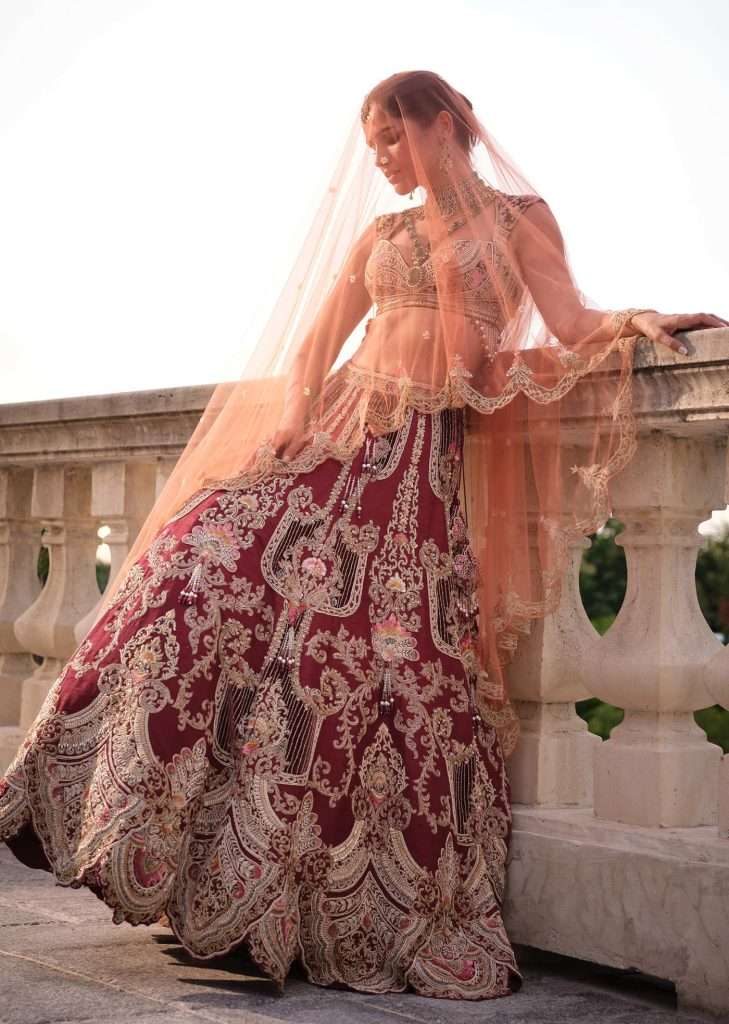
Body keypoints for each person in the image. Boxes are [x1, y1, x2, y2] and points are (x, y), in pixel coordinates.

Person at [0, 70, 726, 1002]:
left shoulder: (517, 220)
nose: (380, 159)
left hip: (418, 469)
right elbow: (314, 347)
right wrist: (294, 421)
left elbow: (572, 319)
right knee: (190, 573)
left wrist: (638, 321)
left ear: (445, 123)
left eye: (392, 138)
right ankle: (183, 860)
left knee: (356, 673)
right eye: (372, 144)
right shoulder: (381, 236)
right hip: (335, 438)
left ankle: (302, 906)